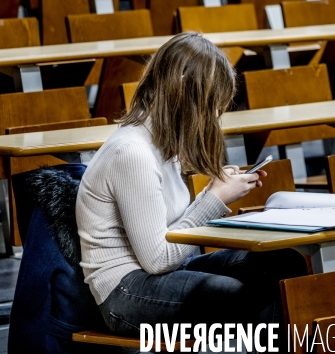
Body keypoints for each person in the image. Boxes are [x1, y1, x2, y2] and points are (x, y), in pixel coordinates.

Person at [76, 32, 307, 348]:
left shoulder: (162, 144)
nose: (214, 116)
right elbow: (157, 259)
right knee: (239, 296)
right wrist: (215, 199)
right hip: (124, 293)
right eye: (211, 105)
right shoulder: (131, 153)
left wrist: (213, 191)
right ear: (184, 92)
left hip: (163, 273)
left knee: (285, 264)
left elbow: (168, 232)